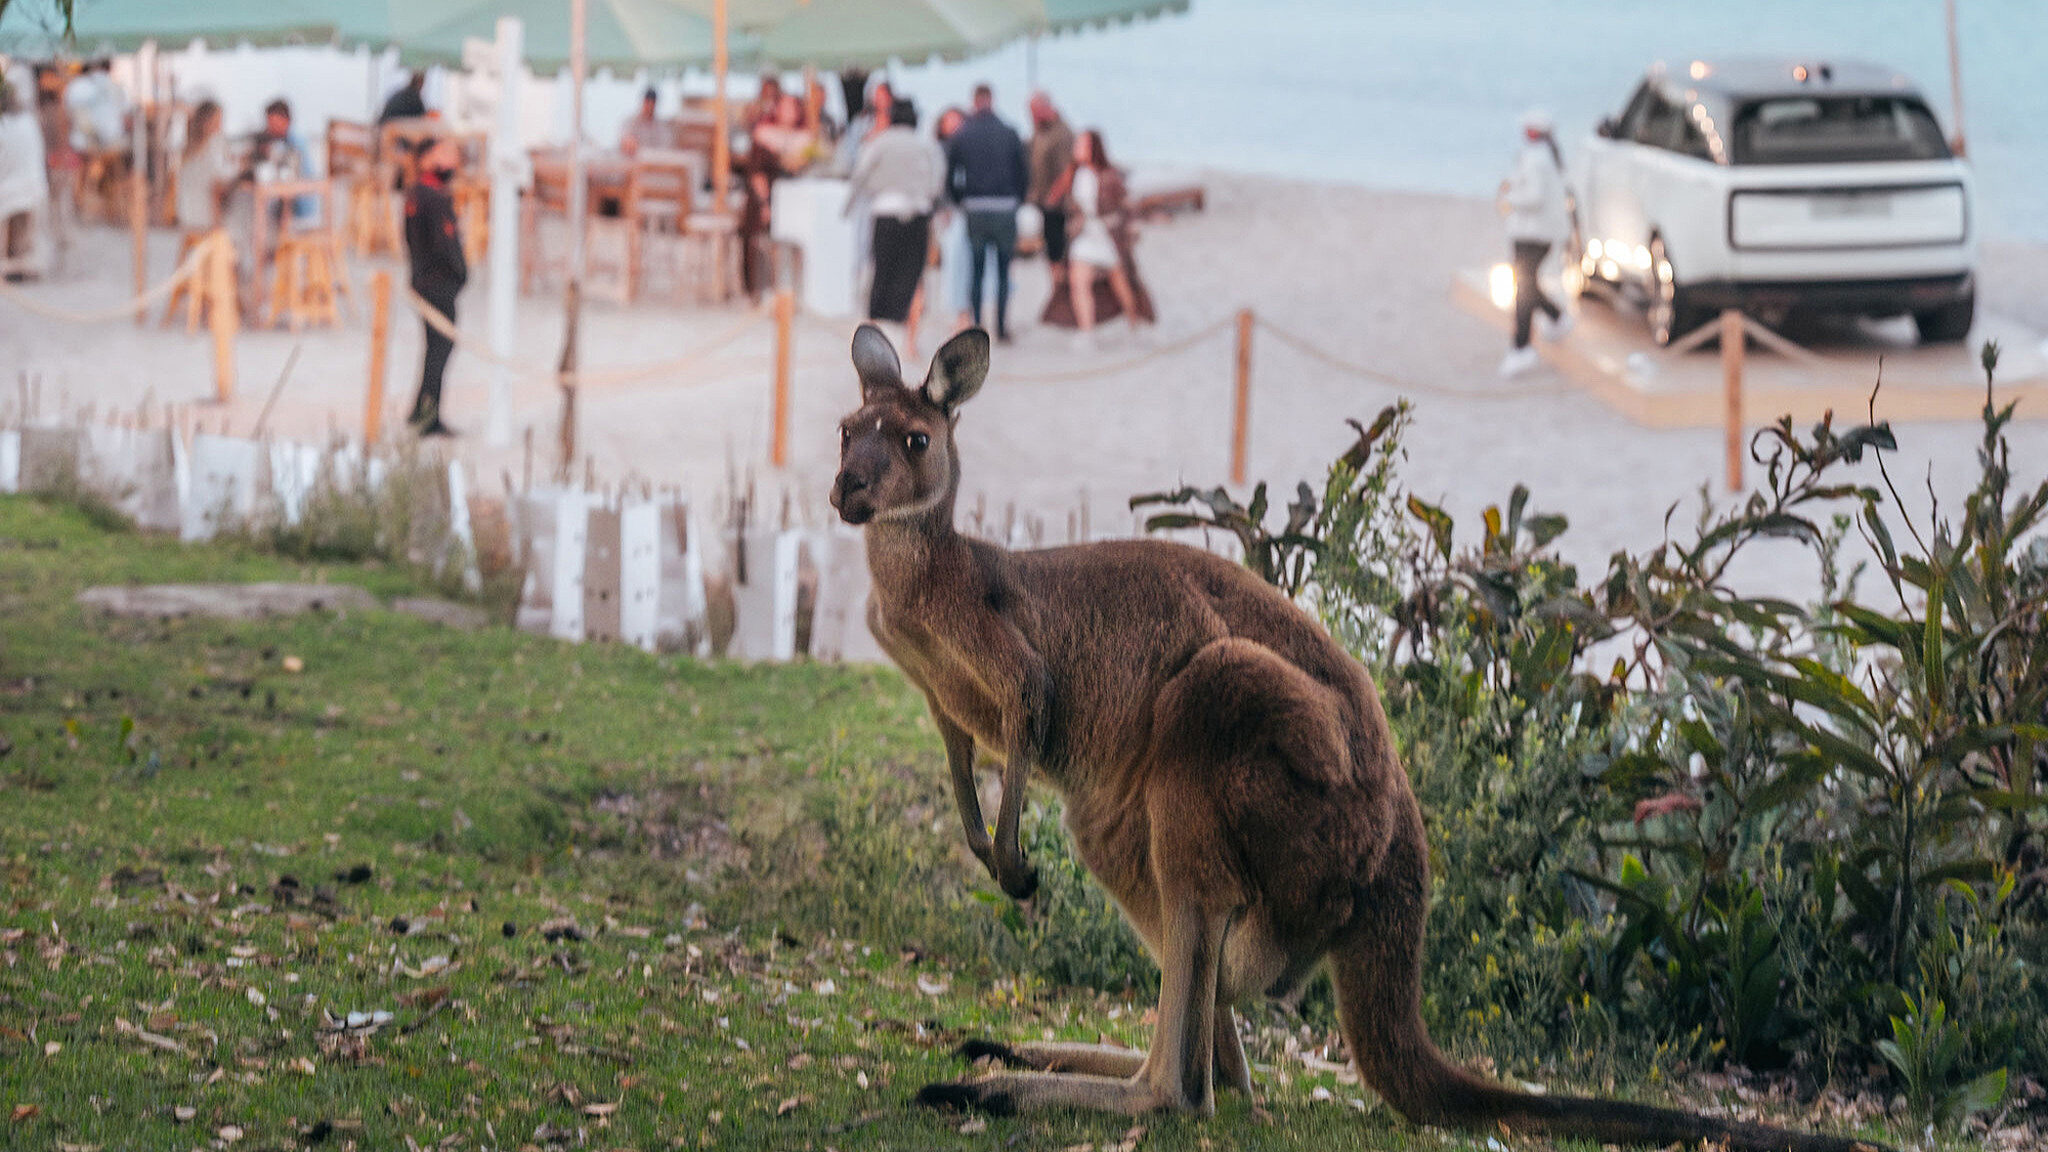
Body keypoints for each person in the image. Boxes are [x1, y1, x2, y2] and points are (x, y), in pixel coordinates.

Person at [848, 99, 943, 360]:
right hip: (918, 214)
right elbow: (937, 183)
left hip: (886, 211)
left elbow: (860, 174)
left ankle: (873, 340)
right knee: (914, 278)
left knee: (881, 274)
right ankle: (910, 343)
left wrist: (849, 207)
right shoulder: (927, 145)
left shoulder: (879, 143)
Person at [1042, 129, 1153, 343]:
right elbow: (1056, 199)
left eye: (1082, 145)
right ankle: (1087, 330)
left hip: (1105, 234)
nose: (1077, 149)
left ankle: (1133, 318)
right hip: (1084, 235)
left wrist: (1128, 226)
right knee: (1078, 281)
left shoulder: (1108, 175)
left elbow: (1125, 204)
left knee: (1119, 279)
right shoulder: (1074, 174)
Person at [943, 84, 1027, 342]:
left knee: (976, 271)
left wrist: (960, 200)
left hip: (976, 209)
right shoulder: (1010, 132)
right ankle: (1001, 327)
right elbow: (1024, 174)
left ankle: (978, 326)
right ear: (992, 100)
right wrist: (1016, 200)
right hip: (1004, 209)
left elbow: (949, 176)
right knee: (1003, 270)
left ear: (974, 101)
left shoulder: (963, 135)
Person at [1495, 108, 1572, 377]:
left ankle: (1522, 346)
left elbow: (1535, 197)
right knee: (1527, 284)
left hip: (1534, 233)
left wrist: (1509, 198)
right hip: (1534, 232)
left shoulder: (1538, 159)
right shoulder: (1543, 156)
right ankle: (1557, 318)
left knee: (1524, 289)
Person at [404, 138, 468, 437]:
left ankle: (420, 409)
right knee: (439, 350)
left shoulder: (417, 193)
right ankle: (428, 416)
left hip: (423, 280)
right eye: (446, 154)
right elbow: (446, 245)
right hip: (437, 284)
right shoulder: (432, 198)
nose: (452, 162)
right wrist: (460, 273)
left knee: (434, 349)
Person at [738, 94, 816, 297]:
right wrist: (765, 203)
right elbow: (756, 173)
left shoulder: (804, 138)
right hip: (767, 199)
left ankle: (791, 290)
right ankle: (762, 289)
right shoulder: (764, 135)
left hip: (796, 200)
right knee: (763, 241)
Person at [0, 64, 49, 281]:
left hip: (14, 188)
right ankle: (22, 263)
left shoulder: (14, 124)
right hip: (30, 187)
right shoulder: (28, 122)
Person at [932, 107, 976, 336]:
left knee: (962, 264)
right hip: (951, 214)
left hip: (963, 213)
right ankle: (960, 313)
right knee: (954, 264)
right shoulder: (941, 149)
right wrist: (943, 207)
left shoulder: (968, 149)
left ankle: (964, 314)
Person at [1026, 91, 1074, 291]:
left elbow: (1068, 170)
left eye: (1034, 113)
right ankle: (1057, 289)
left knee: (1058, 252)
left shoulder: (1061, 134)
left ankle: (1060, 291)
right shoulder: (1041, 130)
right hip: (1042, 201)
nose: (1032, 118)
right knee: (1051, 251)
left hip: (1057, 205)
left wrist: (1054, 197)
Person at [174, 100, 232, 233]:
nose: (221, 125)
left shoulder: (189, 148)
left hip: (186, 213)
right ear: (208, 122)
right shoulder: (216, 142)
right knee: (244, 206)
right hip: (206, 216)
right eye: (218, 120)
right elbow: (217, 185)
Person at [619, 86, 669, 156]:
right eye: (647, 103)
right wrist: (628, 142)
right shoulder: (631, 121)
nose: (649, 107)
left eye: (652, 104)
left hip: (654, 160)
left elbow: (666, 145)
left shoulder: (661, 125)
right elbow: (624, 139)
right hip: (634, 161)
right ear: (643, 102)